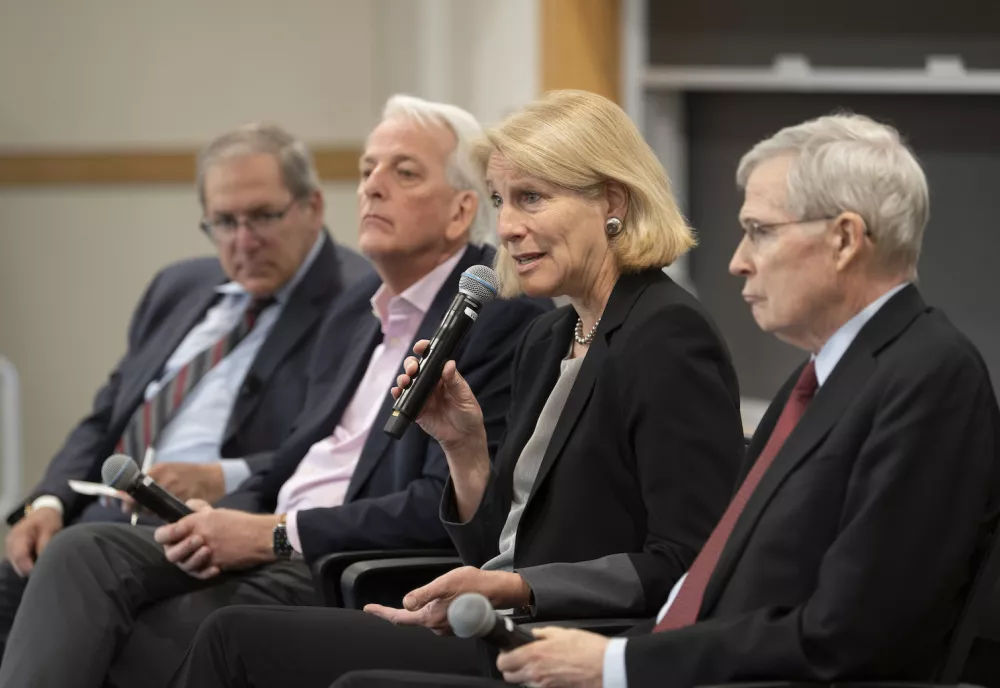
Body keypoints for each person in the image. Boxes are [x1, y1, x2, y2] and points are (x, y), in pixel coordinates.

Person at [332, 112, 1000, 688]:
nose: (737, 260)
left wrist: (619, 663)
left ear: (846, 239)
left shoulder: (925, 379)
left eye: (759, 231)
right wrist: (466, 449)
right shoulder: (834, 377)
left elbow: (848, 635)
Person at [167, 89, 746, 688]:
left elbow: (689, 562)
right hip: (497, 626)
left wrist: (515, 586)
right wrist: (465, 447)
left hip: (583, 645)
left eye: (532, 199)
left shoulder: (667, 335)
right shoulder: (550, 335)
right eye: (500, 201)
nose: (510, 228)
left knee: (263, 649)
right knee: (234, 633)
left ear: (613, 201)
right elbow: (499, 540)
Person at [0, 95, 550, 688]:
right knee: (81, 552)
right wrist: (219, 519)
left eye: (404, 172)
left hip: (335, 560)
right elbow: (292, 461)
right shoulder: (354, 310)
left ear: (460, 211)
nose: (371, 187)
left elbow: (439, 506)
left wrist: (277, 532)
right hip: (265, 534)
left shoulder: (496, 317)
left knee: (141, 633)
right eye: (367, 170)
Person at [0, 122, 372, 657]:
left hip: (206, 521)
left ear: (313, 206)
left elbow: (337, 447)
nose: (244, 241)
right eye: (224, 222)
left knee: (80, 575)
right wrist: (47, 501)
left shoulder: (357, 299)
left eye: (264, 216)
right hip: (101, 514)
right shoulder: (178, 287)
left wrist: (223, 476)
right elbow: (106, 418)